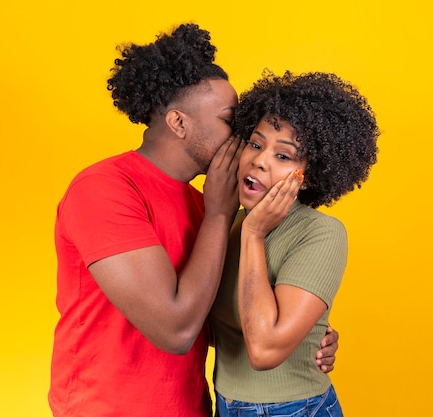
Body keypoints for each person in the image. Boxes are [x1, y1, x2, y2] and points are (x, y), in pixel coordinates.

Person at [48, 24, 338, 417]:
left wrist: (305, 335)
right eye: (229, 120)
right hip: (107, 407)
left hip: (195, 407)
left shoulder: (204, 204)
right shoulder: (105, 189)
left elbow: (213, 320)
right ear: (179, 123)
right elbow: (177, 331)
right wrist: (219, 214)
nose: (241, 137)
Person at [209, 70, 380, 417]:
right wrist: (314, 336)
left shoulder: (320, 233)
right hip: (226, 405)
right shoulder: (228, 223)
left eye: (283, 156)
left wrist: (255, 235)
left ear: (309, 177)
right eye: (256, 144)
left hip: (296, 409)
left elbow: (264, 352)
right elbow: (210, 330)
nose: (259, 160)